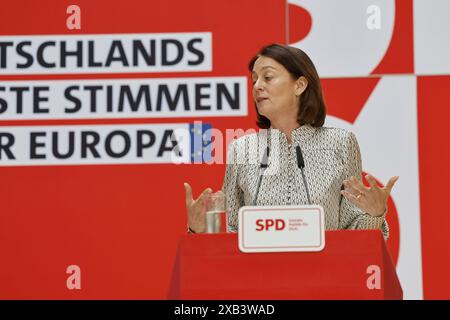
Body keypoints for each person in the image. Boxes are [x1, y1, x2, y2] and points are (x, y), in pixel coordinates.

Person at [184, 43, 398, 238]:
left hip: (325, 276)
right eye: (254, 79)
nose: (257, 86)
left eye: (267, 77)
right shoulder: (242, 148)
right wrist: (199, 231)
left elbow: (355, 235)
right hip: (258, 277)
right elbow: (230, 231)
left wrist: (375, 213)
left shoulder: (340, 143)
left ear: (300, 85)